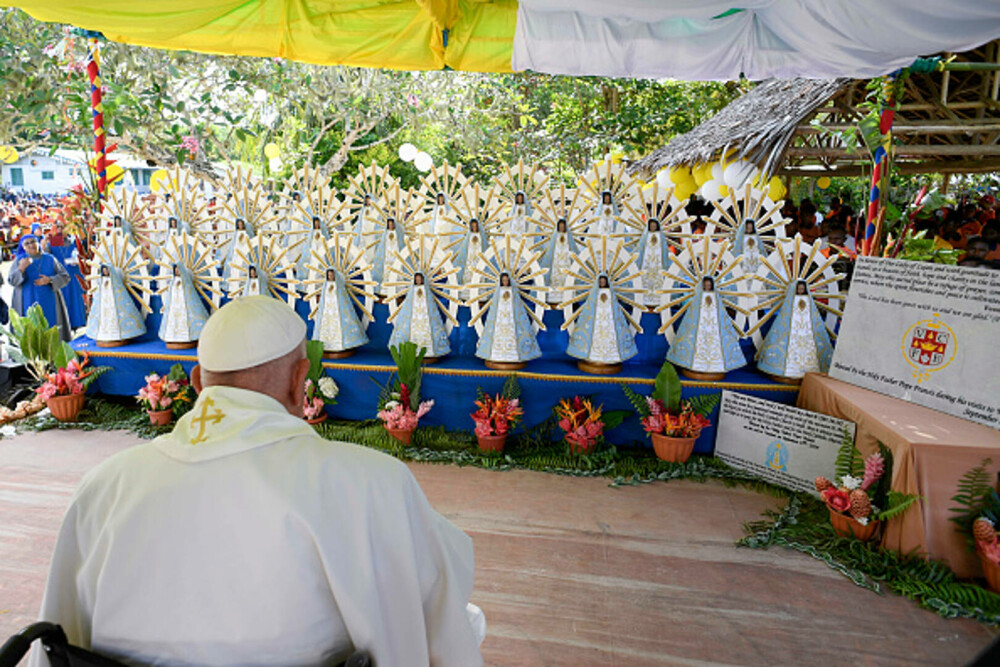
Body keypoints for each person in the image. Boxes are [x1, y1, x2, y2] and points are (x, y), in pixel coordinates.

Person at [32, 296, 484, 666]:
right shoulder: (372, 484)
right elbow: (435, 627)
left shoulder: (104, 487)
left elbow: (54, 644)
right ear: (299, 381)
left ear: (196, 382)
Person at [8, 234, 71, 340]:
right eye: (26, 243)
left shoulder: (50, 259)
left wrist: (50, 280)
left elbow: (65, 277)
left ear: (38, 242)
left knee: (51, 331)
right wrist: (21, 268)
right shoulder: (19, 261)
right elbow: (12, 281)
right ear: (23, 247)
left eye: (33, 241)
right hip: (27, 301)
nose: (30, 245)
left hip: (49, 301)